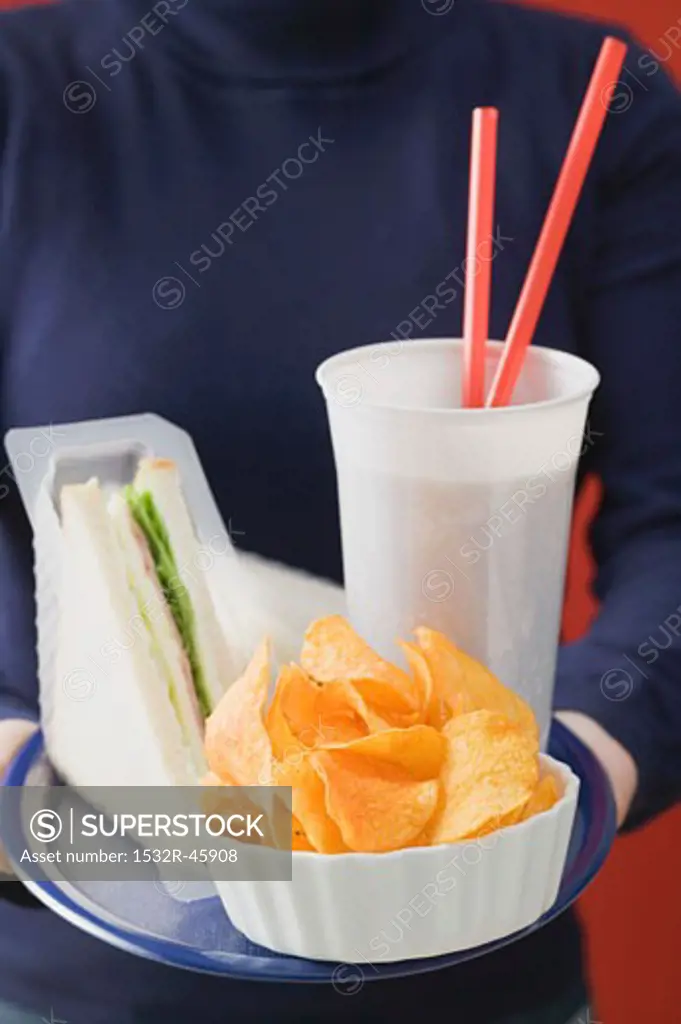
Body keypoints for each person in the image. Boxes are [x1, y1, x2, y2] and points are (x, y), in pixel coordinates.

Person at [0, 0, 678, 1019]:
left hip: (486, 983)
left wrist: (566, 771)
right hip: (68, 988)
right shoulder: (21, 89)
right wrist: (45, 811)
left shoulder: (596, 99)